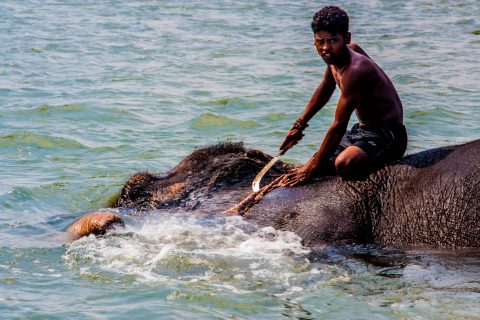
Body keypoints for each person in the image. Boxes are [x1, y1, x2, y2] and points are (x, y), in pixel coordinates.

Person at [278, 6, 407, 185]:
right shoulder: (336, 58)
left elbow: (339, 125)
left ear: (346, 38)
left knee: (344, 163)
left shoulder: (356, 70)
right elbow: (325, 88)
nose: (325, 48)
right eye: (320, 41)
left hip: (388, 134)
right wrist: (299, 125)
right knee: (318, 160)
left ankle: (376, 186)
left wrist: (311, 168)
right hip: (362, 131)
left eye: (333, 41)